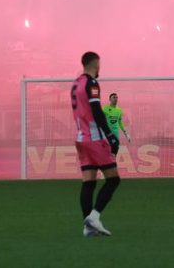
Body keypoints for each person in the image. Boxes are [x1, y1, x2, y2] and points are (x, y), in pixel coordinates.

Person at [72, 51, 121, 237]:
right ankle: (94, 217)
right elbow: (97, 111)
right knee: (113, 179)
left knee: (89, 182)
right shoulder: (91, 83)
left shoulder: (76, 83)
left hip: (80, 138)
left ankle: (88, 227)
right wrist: (110, 135)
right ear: (96, 64)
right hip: (94, 138)